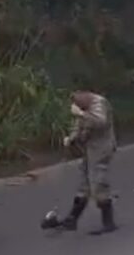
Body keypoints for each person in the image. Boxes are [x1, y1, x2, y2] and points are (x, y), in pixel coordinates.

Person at [41, 91, 118, 234]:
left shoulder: (99, 103)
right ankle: (72, 219)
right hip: (89, 150)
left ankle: (109, 222)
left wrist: (81, 114)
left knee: (98, 183)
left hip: (102, 149)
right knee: (84, 185)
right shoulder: (85, 108)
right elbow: (79, 125)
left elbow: (101, 122)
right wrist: (71, 138)